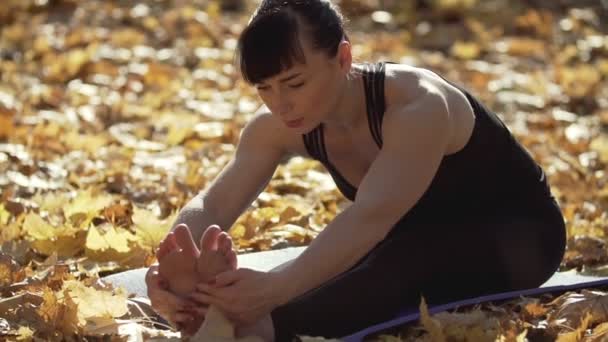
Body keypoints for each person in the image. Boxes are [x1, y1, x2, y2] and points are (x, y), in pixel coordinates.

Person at [129, 0, 568, 340]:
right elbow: (213, 202)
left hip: (519, 238)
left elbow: (369, 219)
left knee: (390, 260)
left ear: (342, 59)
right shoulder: (278, 125)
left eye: (295, 83)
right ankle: (205, 312)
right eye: (264, 88)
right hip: (406, 234)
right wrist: (172, 264)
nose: (280, 104)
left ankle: (261, 331)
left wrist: (274, 292)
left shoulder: (417, 105)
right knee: (360, 255)